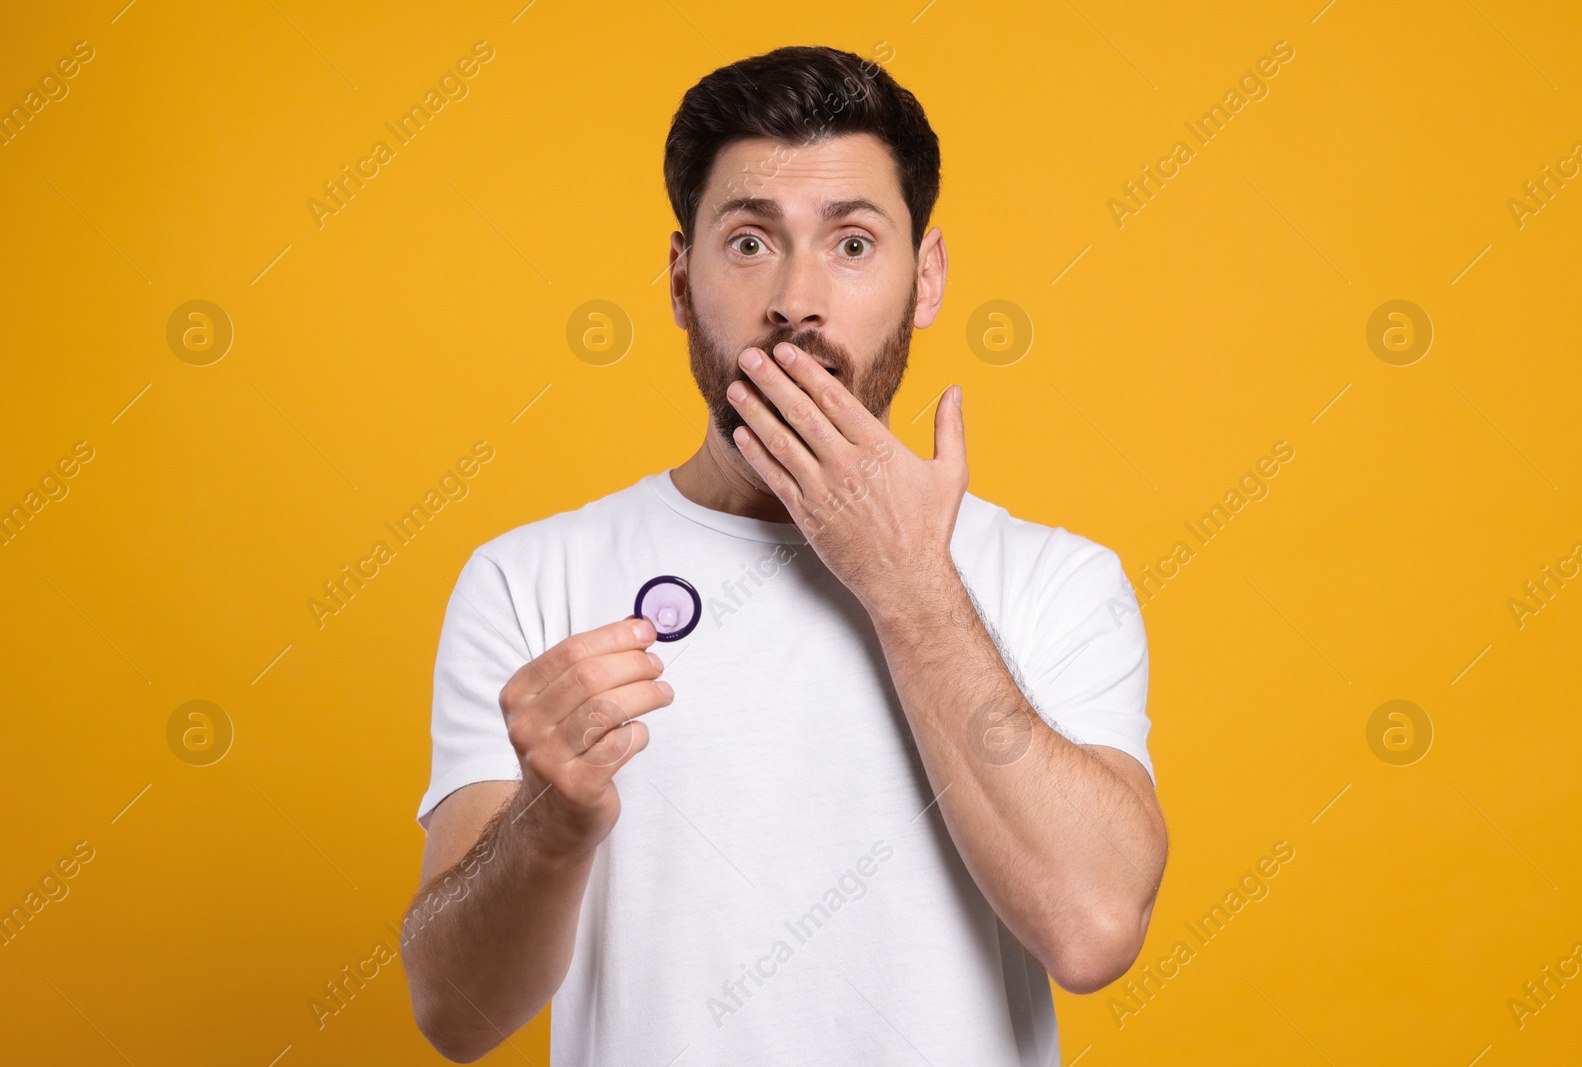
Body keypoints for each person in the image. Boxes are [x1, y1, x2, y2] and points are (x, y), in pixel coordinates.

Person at [400, 44, 1167, 1066]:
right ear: (681, 280)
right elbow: (454, 1011)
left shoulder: (1059, 580)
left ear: (925, 277)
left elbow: (1093, 926)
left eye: (852, 244)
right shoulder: (530, 579)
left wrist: (907, 584)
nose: (796, 298)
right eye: (750, 242)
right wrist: (547, 823)